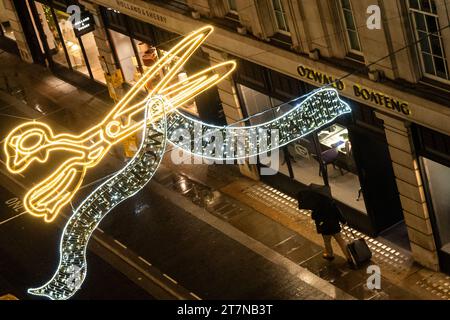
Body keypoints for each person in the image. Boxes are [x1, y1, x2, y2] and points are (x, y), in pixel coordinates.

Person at [297, 184, 352, 264]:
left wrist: (313, 212)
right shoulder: (331, 202)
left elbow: (314, 217)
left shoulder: (316, 206)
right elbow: (338, 213)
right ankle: (349, 258)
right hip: (334, 225)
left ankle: (330, 254)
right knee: (341, 241)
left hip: (324, 227)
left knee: (327, 242)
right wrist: (343, 221)